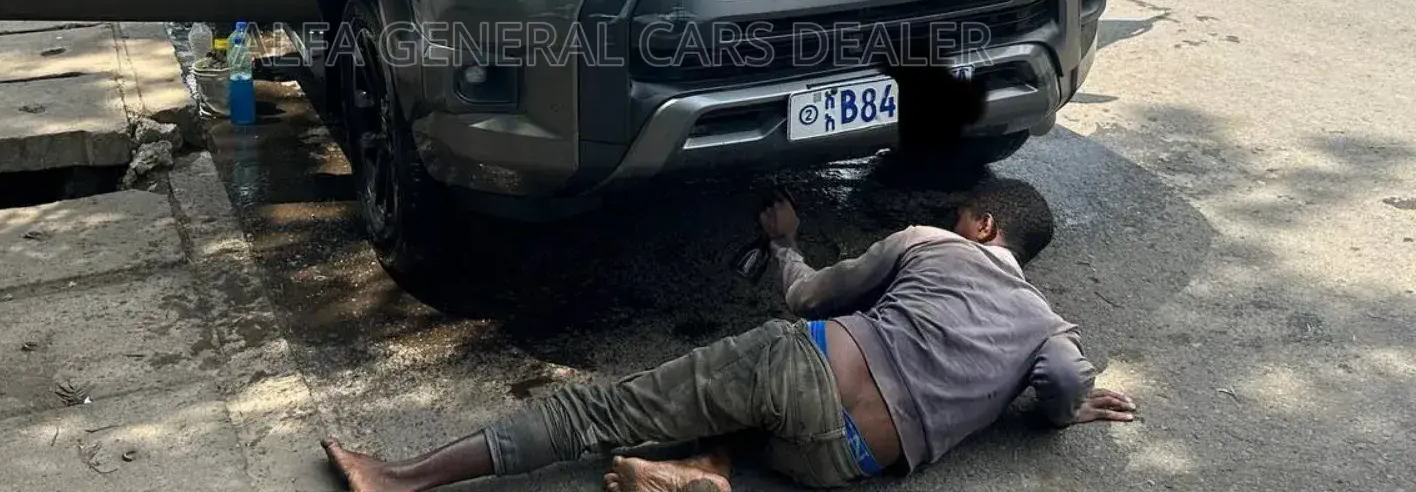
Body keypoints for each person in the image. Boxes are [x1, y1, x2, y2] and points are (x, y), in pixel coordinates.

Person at [320, 181, 1134, 492]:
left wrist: (784, 242)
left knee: (603, 412)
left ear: (982, 224)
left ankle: (398, 479)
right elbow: (1065, 388)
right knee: (741, 402)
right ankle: (707, 471)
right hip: (841, 465)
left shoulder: (934, 241)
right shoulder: (1047, 327)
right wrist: (1064, 409)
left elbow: (810, 297)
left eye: (965, 214)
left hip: (802, 376)